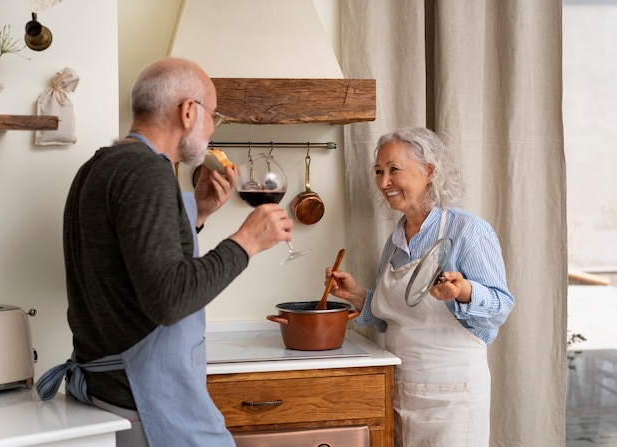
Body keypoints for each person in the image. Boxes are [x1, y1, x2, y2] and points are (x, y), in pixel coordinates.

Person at [35, 57, 293, 446]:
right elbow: (168, 299)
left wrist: (199, 211)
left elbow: (127, 265)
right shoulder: (147, 171)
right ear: (188, 111)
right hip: (147, 404)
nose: (211, 129)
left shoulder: (99, 165)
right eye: (213, 116)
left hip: (108, 394)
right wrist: (246, 242)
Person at [325, 127, 514, 447]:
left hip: (453, 396)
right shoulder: (395, 240)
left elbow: (500, 306)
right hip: (400, 390)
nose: (384, 182)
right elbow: (393, 317)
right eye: (378, 171)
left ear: (429, 171)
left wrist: (463, 291)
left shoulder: (467, 229)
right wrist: (357, 295)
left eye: (394, 170)